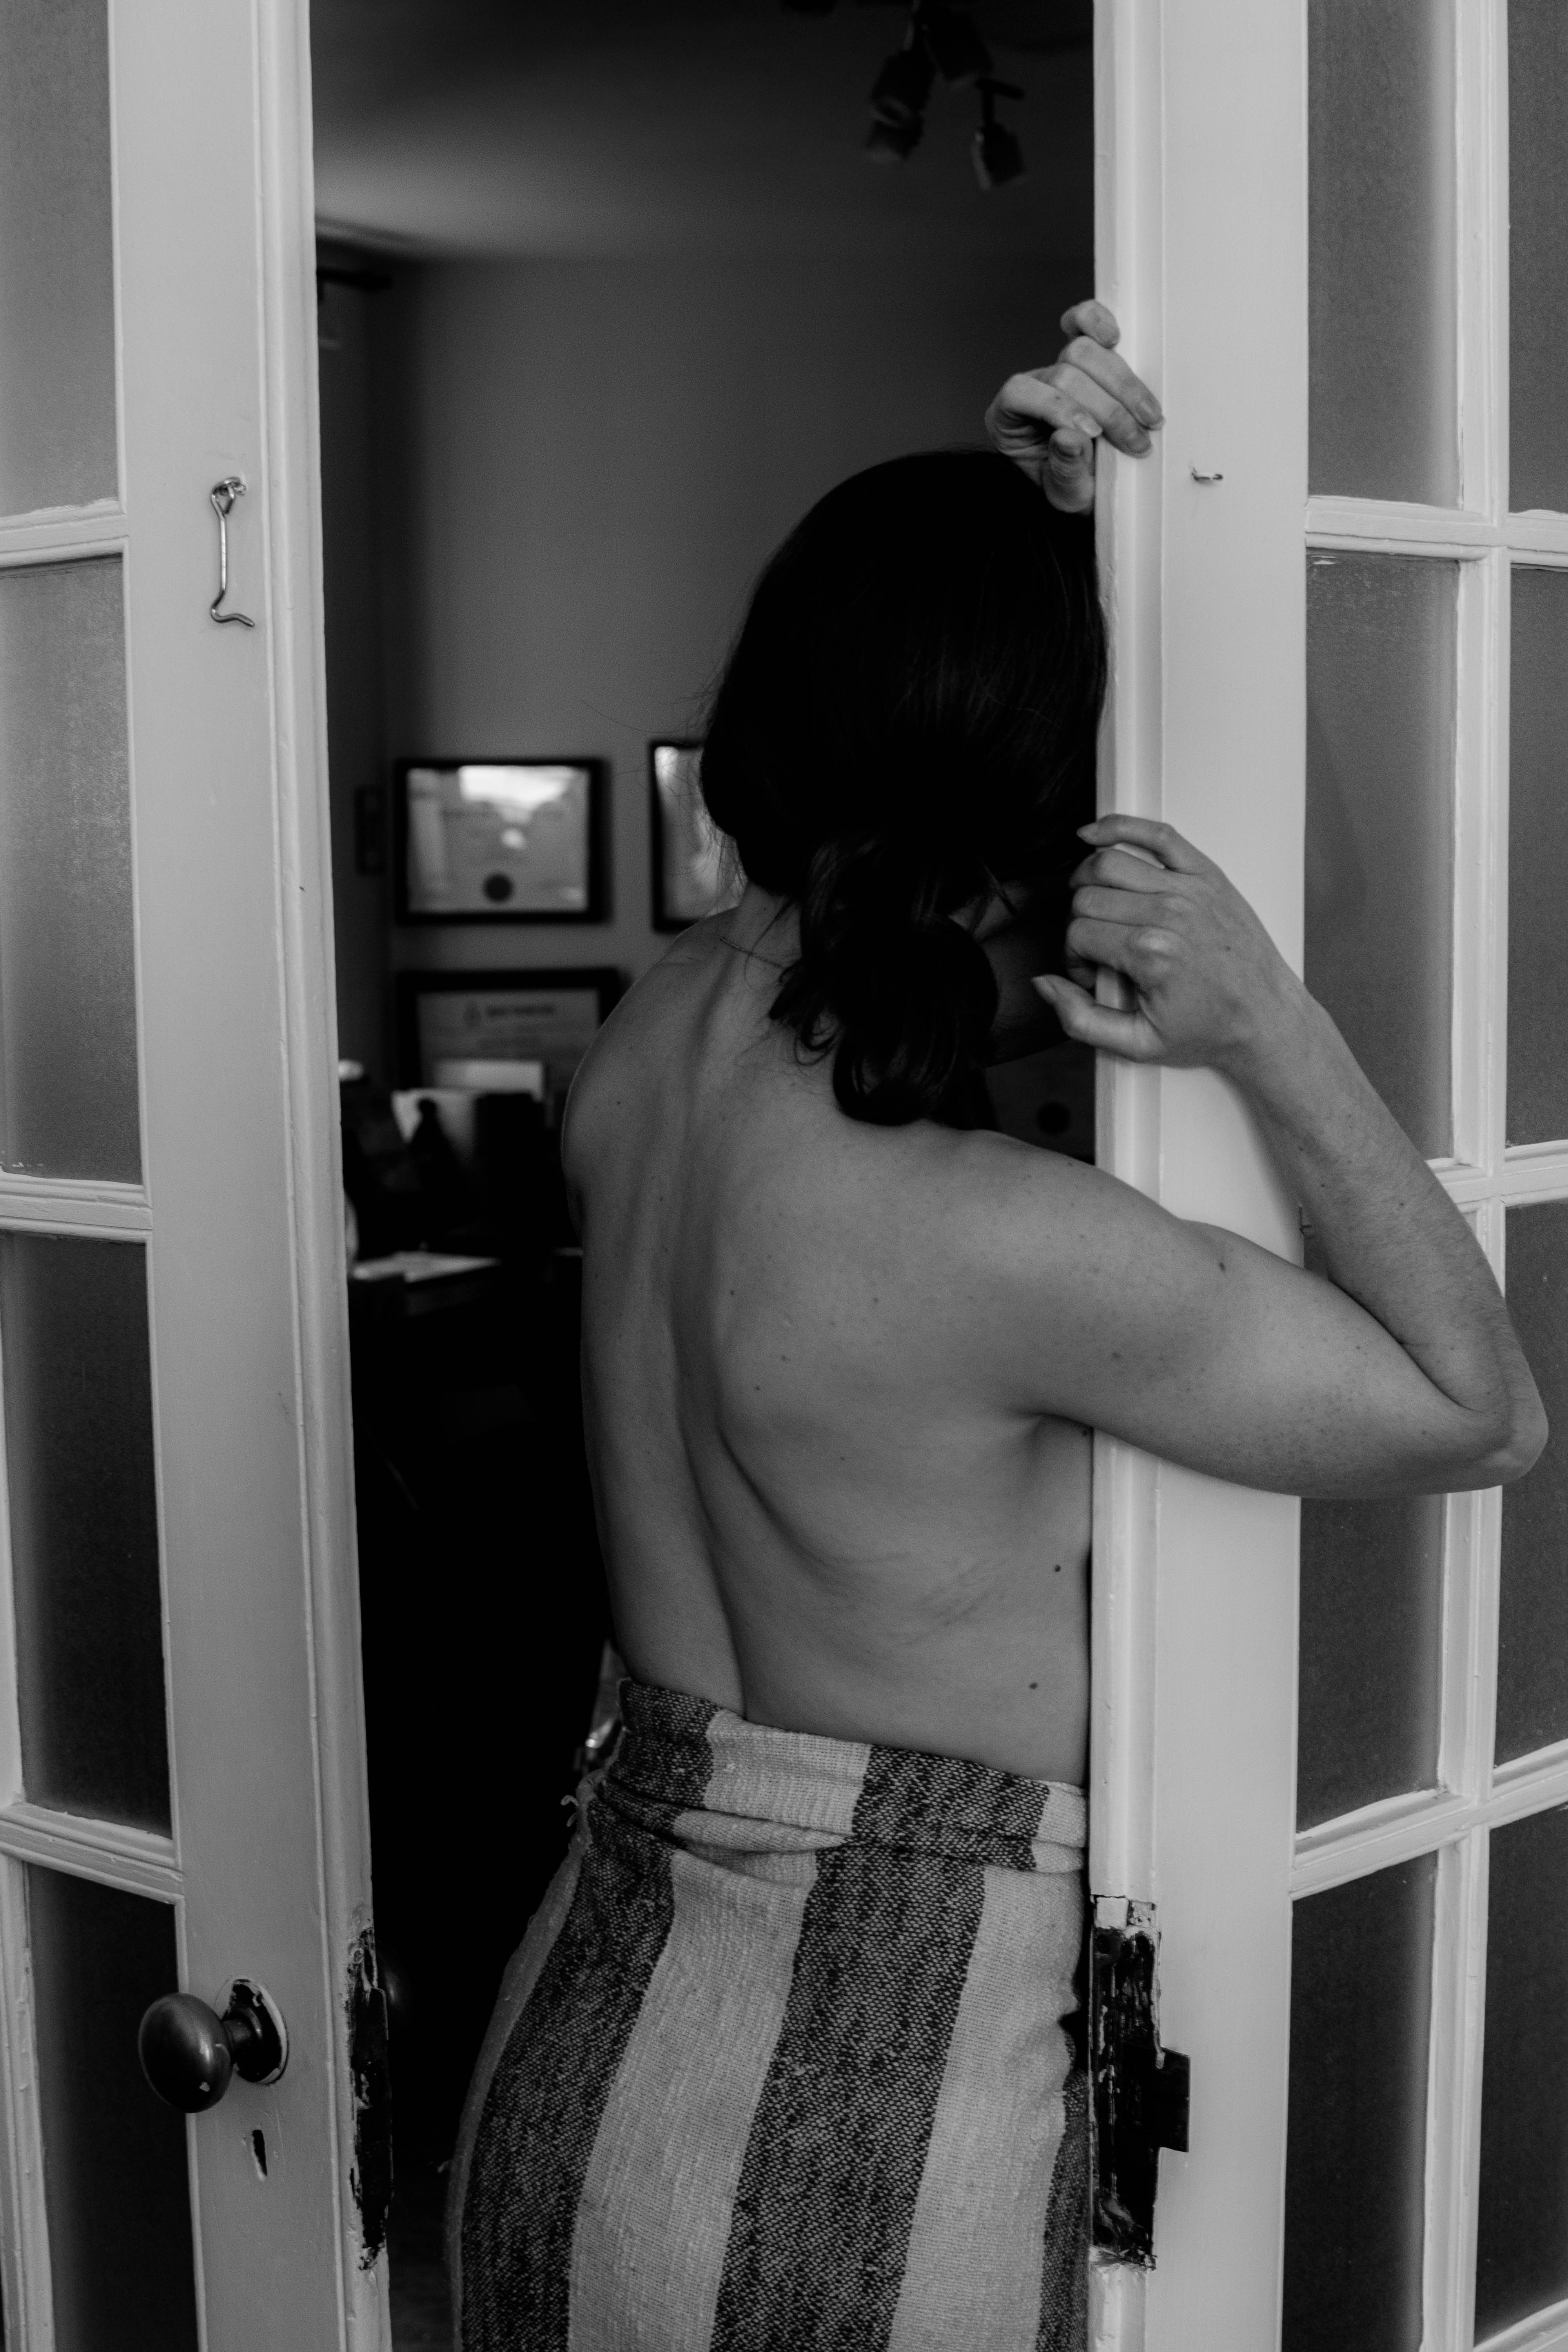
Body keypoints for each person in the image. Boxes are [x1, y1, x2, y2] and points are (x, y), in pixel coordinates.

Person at [448, 303, 1545, 2351]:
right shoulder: (997, 1244)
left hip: (577, 2068)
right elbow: (1477, 1410)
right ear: (1047, 792)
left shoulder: (640, 1052)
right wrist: (1270, 1023)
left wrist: (1082, 547)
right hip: (863, 2144)